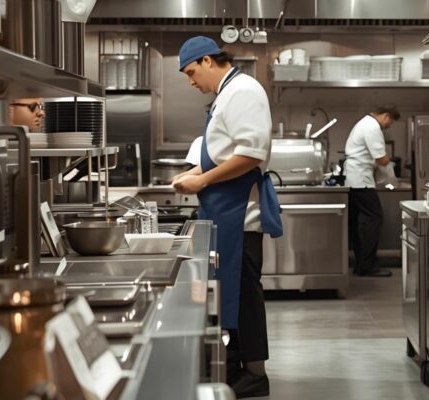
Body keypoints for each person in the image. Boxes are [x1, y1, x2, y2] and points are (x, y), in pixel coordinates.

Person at [171, 36, 282, 399]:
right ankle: (234, 362)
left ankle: (256, 374)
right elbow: (220, 150)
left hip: (240, 213)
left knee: (244, 293)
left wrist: (202, 180)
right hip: (223, 210)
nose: (191, 82)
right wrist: (193, 171)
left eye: (191, 72)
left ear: (207, 60)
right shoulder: (226, 93)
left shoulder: (244, 91)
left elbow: (250, 154)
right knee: (227, 292)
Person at [344, 105, 401, 277]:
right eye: (390, 122)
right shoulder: (372, 127)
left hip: (354, 179)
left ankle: (361, 263)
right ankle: (367, 265)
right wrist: (391, 174)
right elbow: (381, 159)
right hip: (360, 181)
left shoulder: (364, 123)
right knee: (375, 218)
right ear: (385, 116)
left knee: (358, 223)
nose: (389, 126)